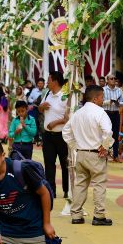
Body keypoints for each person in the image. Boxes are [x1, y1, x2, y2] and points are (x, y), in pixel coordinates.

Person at [62, 85, 114, 226]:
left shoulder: (78, 113)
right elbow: (108, 132)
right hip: (96, 153)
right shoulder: (100, 112)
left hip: (81, 153)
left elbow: (66, 132)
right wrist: (105, 146)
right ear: (96, 98)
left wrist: (75, 146)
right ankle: (99, 215)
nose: (103, 100)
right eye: (102, 97)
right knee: (99, 184)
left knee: (80, 184)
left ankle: (76, 215)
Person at [38, 71, 70, 199]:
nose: (47, 83)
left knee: (65, 163)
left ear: (55, 81)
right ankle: (51, 190)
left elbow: (70, 117)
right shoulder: (47, 94)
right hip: (48, 135)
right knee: (49, 163)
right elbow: (40, 109)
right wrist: (42, 106)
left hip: (62, 135)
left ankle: (67, 189)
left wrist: (56, 122)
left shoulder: (65, 96)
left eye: (48, 80)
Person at [103, 73, 123, 163]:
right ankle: (104, 155)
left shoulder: (119, 90)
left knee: (115, 134)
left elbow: (122, 102)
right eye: (111, 78)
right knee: (105, 134)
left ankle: (115, 156)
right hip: (106, 113)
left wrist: (118, 103)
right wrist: (110, 101)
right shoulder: (103, 90)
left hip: (116, 113)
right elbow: (100, 102)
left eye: (114, 78)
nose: (113, 80)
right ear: (107, 80)